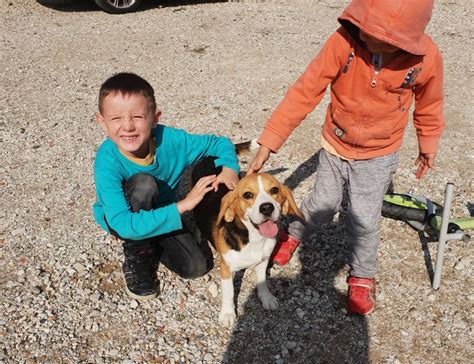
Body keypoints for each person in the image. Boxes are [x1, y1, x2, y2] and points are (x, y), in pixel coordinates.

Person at [247, 0, 444, 315]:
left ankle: (363, 274)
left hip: (379, 153)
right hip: (335, 144)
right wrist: (270, 142)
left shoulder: (425, 58)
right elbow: (305, 91)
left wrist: (428, 142)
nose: (365, 35)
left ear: (404, 39)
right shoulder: (344, 41)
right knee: (322, 202)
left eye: (376, 33)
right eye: (363, 25)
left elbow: (430, 103)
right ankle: (293, 234)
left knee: (364, 217)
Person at [93, 72, 239, 301]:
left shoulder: (171, 140)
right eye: (116, 118)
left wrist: (229, 168)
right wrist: (185, 204)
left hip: (163, 210)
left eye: (138, 117)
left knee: (196, 267)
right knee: (144, 184)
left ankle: (154, 239)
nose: (128, 126)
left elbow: (218, 143)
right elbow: (122, 223)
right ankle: (139, 252)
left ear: (155, 118)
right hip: (127, 217)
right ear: (102, 122)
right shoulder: (106, 161)